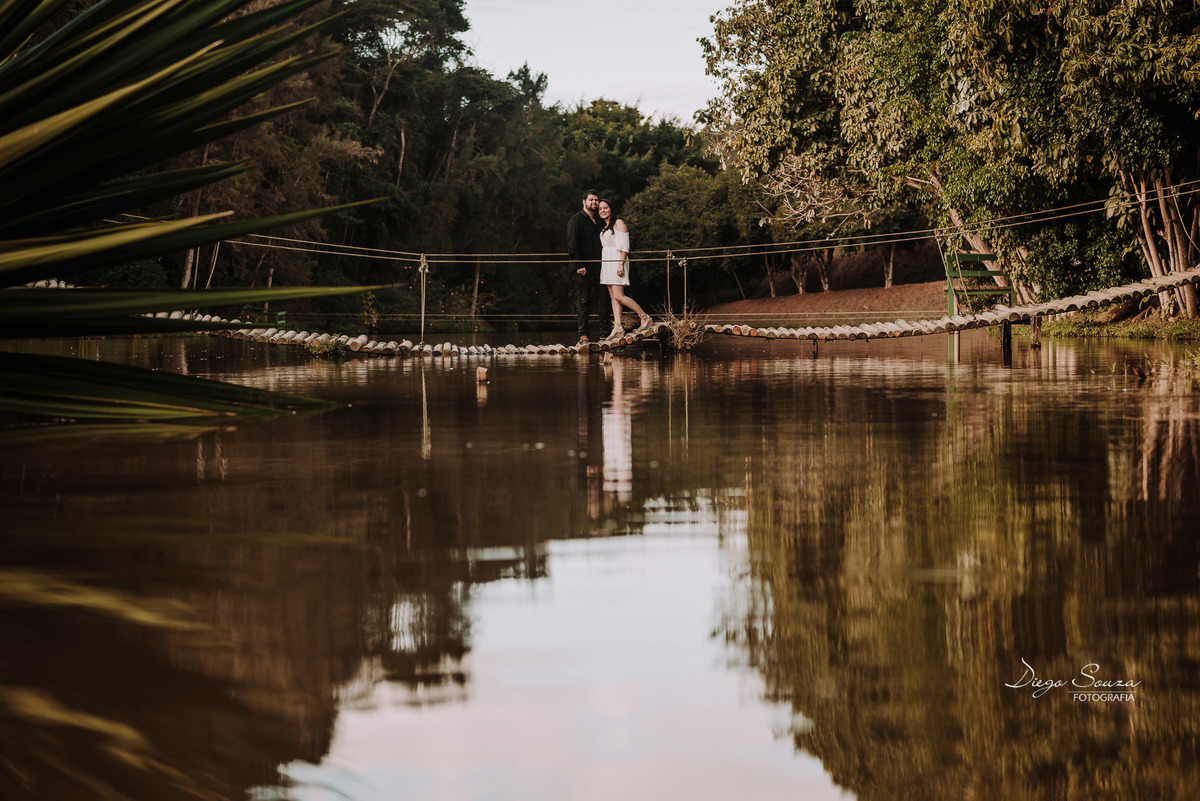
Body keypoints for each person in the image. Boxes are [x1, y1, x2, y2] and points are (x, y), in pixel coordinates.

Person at [597, 198, 652, 339]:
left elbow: (624, 246)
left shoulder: (618, 223)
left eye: (605, 208)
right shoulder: (604, 227)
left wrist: (620, 263)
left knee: (619, 296)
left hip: (617, 261)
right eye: (600, 209)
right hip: (607, 262)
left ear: (611, 209)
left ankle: (644, 317)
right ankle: (618, 327)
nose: (603, 210)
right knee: (612, 296)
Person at [566, 189, 610, 343]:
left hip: (600, 267)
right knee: (584, 300)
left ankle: (605, 333)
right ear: (584, 202)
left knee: (605, 298)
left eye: (596, 200)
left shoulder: (599, 220)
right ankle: (583, 335)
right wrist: (579, 264)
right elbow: (572, 244)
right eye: (591, 200)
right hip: (581, 268)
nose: (594, 203)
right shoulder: (576, 220)